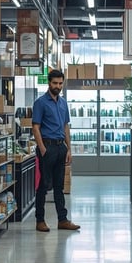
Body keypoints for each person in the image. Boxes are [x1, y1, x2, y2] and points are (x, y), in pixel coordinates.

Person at [31, 69, 80, 232]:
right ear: (49, 83)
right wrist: (43, 149)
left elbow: (66, 126)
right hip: (47, 146)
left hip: (61, 147)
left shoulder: (63, 103)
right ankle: (40, 220)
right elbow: (35, 127)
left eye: (60, 83)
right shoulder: (40, 102)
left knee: (59, 186)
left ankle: (63, 220)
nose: (58, 86)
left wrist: (69, 149)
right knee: (43, 185)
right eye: (55, 83)